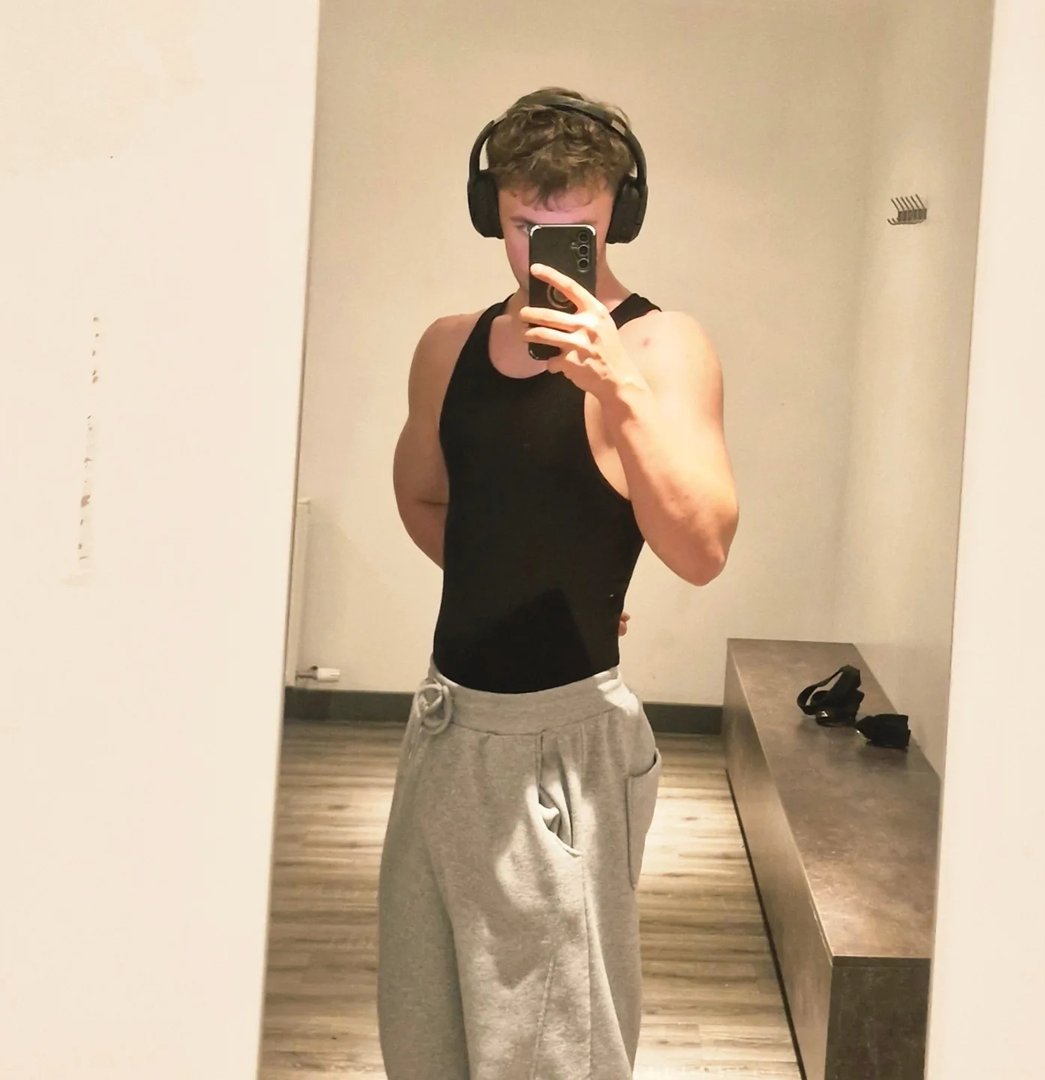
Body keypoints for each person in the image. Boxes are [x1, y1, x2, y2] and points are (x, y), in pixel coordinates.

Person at [377, 87, 739, 1079]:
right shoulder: (448, 346)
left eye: (569, 229)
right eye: (521, 227)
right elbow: (426, 499)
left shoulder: (663, 348)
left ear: (619, 212)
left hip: (566, 742)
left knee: (555, 1053)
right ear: (488, 210)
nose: (541, 252)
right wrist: (524, 583)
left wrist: (617, 387)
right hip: (444, 726)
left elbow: (703, 548)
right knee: (425, 1035)